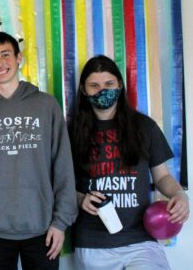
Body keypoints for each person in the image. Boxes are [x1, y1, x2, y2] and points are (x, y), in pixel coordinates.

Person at [0, 31, 78, 270]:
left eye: (5, 55)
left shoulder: (46, 104)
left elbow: (62, 166)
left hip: (43, 229)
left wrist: (60, 222)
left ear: (18, 57)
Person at [69, 55, 189, 270]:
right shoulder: (71, 132)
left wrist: (179, 194)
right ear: (84, 90)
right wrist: (80, 199)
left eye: (109, 84)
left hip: (141, 240)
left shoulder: (145, 127)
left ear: (120, 85)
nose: (102, 91)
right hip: (93, 243)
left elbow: (162, 176)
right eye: (94, 86)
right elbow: (59, 184)